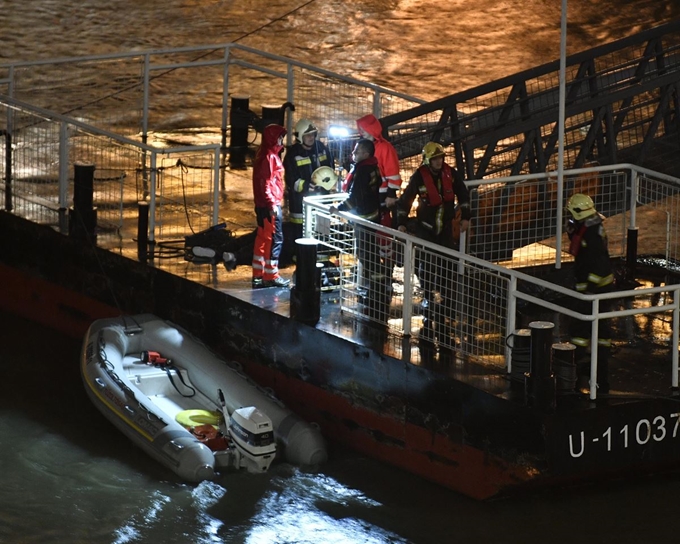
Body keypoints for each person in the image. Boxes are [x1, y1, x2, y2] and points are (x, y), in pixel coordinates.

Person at [394, 142, 471, 356]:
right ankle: (428, 305)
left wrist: (466, 218)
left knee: (448, 269)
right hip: (425, 231)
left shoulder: (451, 174)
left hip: (445, 231)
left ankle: (446, 309)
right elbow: (405, 201)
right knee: (425, 268)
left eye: (441, 158)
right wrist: (400, 223)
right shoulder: (419, 177)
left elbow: (463, 196)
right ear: (428, 160)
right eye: (435, 158)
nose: (439, 161)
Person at [330, 139, 389, 321]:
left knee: (367, 256)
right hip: (371, 216)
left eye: (356, 152)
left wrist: (338, 208)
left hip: (364, 220)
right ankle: (378, 289)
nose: (353, 155)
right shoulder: (372, 167)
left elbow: (354, 197)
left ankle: (378, 292)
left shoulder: (363, 171)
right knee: (370, 255)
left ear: (365, 154)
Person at [566, 193, 614, 394]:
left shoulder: (591, 233)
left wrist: (588, 289)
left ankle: (576, 366)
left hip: (594, 289)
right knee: (600, 329)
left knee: (580, 329)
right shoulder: (590, 227)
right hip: (598, 286)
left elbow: (598, 263)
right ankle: (598, 367)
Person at [355, 114, 402, 265]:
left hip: (381, 199)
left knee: (382, 238)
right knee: (367, 241)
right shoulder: (363, 146)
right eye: (361, 130)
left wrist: (391, 194)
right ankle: (374, 275)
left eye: (365, 129)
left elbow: (392, 173)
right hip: (367, 198)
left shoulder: (385, 148)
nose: (362, 132)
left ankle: (386, 274)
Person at [251, 124, 291, 289]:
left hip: (262, 205)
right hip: (270, 205)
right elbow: (266, 183)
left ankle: (258, 274)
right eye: (280, 137)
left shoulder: (263, 154)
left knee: (262, 238)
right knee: (274, 240)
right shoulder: (270, 157)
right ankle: (271, 275)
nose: (282, 140)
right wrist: (272, 204)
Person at [284, 118, 335, 241]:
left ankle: (322, 258)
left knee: (323, 232)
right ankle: (302, 259)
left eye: (313, 134)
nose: (311, 137)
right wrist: (306, 186)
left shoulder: (321, 148)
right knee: (302, 235)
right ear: (300, 136)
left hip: (322, 198)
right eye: (307, 135)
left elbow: (330, 167)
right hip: (300, 202)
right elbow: (291, 179)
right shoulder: (293, 154)